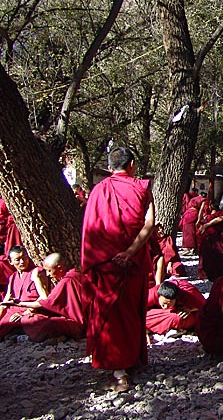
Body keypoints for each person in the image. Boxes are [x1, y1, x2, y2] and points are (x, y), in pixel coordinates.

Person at [80, 146, 155, 393]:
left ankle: (119, 371)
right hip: (132, 263)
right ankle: (131, 361)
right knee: (132, 311)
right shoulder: (142, 187)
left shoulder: (98, 191)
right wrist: (130, 252)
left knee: (113, 315)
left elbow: (91, 229)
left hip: (105, 263)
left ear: (111, 167)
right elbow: (150, 223)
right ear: (132, 164)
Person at [17, 253, 91, 342]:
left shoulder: (67, 280)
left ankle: (30, 338)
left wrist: (19, 304)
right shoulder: (76, 274)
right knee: (34, 317)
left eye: (49, 270)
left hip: (80, 324)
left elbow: (47, 303)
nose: (48, 275)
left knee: (42, 322)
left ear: (59, 268)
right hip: (78, 319)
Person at [0, 246, 50, 340]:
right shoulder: (13, 277)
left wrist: (28, 311)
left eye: (24, 257)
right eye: (17, 260)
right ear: (10, 262)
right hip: (15, 311)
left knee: (33, 320)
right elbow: (6, 301)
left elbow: (44, 298)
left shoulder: (37, 272)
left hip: (34, 310)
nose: (22, 262)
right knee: (5, 323)